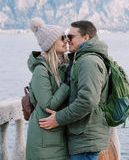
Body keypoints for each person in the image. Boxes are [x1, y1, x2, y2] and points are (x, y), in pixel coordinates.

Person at [39, 20, 110, 160]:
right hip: (83, 137)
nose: (67, 40)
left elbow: (87, 101)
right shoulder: (82, 59)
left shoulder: (88, 62)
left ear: (86, 38)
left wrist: (58, 119)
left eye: (70, 37)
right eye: (65, 36)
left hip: (85, 140)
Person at [26, 17, 71, 160]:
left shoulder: (63, 65)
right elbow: (48, 105)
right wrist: (67, 85)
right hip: (44, 139)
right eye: (62, 38)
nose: (66, 41)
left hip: (58, 133)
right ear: (51, 43)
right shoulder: (41, 70)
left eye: (66, 37)